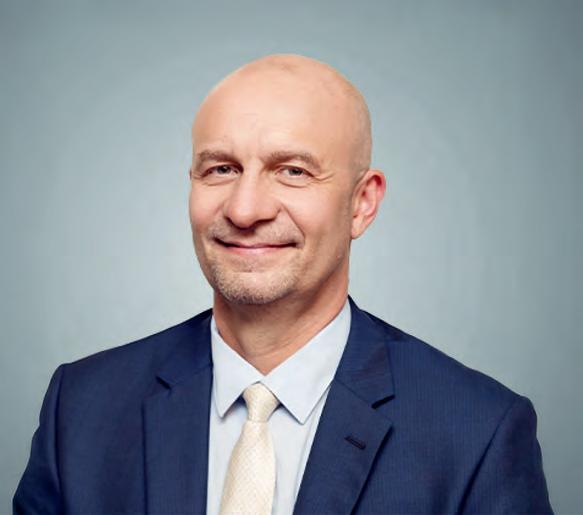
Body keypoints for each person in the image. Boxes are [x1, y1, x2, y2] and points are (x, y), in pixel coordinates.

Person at [14, 54, 553, 514]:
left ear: (362, 203)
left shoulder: (478, 432)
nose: (245, 209)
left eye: (293, 170)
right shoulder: (80, 409)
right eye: (221, 169)